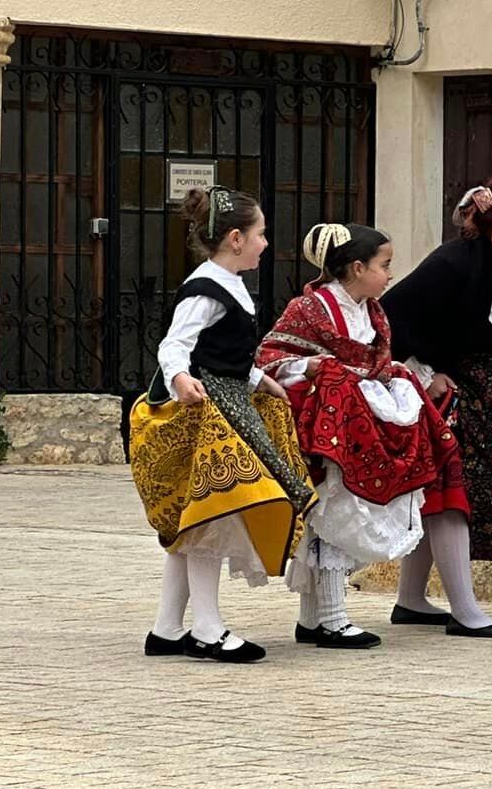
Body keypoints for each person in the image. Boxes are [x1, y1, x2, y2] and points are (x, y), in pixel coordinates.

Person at [256, 223, 468, 649]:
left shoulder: (373, 313)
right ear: (357, 267)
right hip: (325, 422)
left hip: (362, 418)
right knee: (335, 510)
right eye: (384, 265)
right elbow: (270, 356)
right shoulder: (309, 307)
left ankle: (314, 619)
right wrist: (314, 367)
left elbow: (377, 362)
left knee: (345, 508)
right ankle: (331, 620)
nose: (390, 274)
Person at [128, 186, 313, 664]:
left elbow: (223, 351)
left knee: (200, 517)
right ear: (235, 238)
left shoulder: (228, 284)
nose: (265, 243)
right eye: (260, 234)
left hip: (229, 400)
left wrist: (257, 378)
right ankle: (207, 630)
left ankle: (167, 628)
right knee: (214, 511)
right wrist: (180, 378)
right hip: (208, 412)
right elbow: (175, 345)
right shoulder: (204, 287)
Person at [380, 177, 492, 639]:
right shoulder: (453, 264)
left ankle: (411, 599)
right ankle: (465, 608)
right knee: (453, 486)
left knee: (449, 486)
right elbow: (388, 316)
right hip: (448, 389)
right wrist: (421, 371)